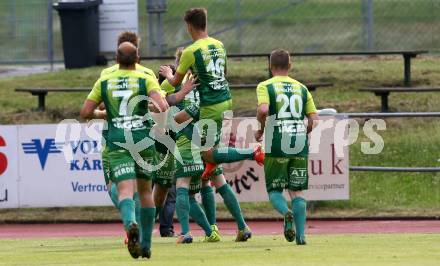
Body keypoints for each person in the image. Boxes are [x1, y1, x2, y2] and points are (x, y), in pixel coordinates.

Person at [159, 7, 262, 241]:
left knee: (208, 156)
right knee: (211, 171)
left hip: (207, 108)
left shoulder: (191, 51)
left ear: (189, 26)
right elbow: (223, 72)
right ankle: (239, 228)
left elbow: (176, 82)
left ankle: (251, 151)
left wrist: (167, 74)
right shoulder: (219, 44)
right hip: (225, 100)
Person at [80, 42, 168, 259]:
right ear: (138, 57)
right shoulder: (145, 78)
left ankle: (130, 223)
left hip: (118, 141)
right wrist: (155, 120)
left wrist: (104, 115)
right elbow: (162, 106)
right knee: (146, 193)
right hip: (142, 140)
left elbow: (85, 112)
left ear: (116, 59)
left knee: (125, 191)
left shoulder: (104, 80)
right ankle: (146, 245)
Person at [254, 49, 318, 245]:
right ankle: (301, 236)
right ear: (290, 66)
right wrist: (304, 131)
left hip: (277, 141)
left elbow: (264, 109)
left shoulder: (265, 86)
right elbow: (314, 119)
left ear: (270, 67)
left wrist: (261, 128)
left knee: (275, 189)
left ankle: (286, 212)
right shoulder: (302, 88)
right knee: (297, 191)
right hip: (299, 142)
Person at [99, 31, 153, 244]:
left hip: (113, 136)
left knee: (116, 186)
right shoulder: (147, 74)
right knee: (142, 189)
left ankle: (131, 223)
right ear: (137, 53)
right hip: (143, 134)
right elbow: (159, 100)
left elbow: (99, 104)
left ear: (117, 53)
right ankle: (137, 228)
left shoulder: (107, 74)